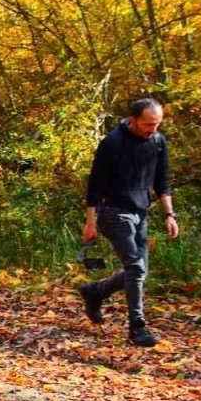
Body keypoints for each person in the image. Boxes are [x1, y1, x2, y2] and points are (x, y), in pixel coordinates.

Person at [78, 98, 178, 348]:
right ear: (132, 120)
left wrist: (169, 215)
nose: (152, 129)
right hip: (112, 212)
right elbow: (94, 186)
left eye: (156, 124)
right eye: (147, 124)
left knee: (139, 272)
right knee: (136, 267)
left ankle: (95, 291)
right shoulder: (112, 143)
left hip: (140, 212)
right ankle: (137, 326)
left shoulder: (157, 142)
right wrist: (90, 222)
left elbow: (162, 181)